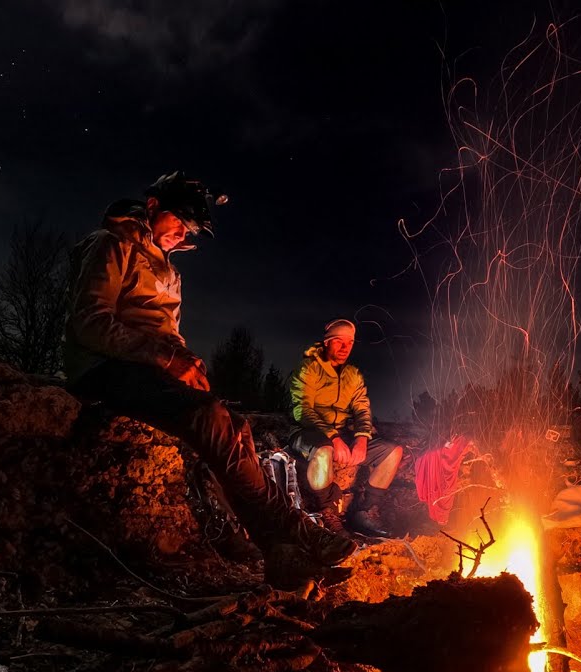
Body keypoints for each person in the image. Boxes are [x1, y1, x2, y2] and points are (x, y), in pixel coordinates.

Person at [64, 171, 357, 582]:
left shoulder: (170, 272)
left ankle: (282, 556)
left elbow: (168, 334)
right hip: (102, 369)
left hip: (146, 370)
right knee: (209, 418)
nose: (182, 233)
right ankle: (295, 529)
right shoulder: (112, 244)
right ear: (153, 206)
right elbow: (90, 323)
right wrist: (167, 358)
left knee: (235, 428)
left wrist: (186, 359)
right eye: (178, 221)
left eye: (189, 229)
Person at [289, 319, 403, 537]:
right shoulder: (308, 369)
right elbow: (302, 411)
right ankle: (327, 513)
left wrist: (361, 438)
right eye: (339, 341)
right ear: (327, 342)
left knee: (393, 452)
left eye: (350, 342)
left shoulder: (352, 374)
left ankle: (363, 511)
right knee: (324, 451)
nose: (345, 347)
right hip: (305, 433)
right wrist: (334, 438)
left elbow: (362, 409)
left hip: (341, 434)